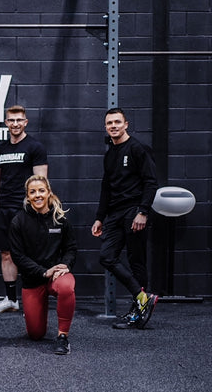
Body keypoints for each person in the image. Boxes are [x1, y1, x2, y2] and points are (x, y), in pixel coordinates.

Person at [91, 107, 159, 329]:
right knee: (106, 256)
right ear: (106, 127)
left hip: (134, 211)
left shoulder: (138, 149)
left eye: (117, 122)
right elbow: (105, 188)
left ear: (126, 124)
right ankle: (142, 298)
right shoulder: (110, 153)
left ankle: (138, 312)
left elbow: (151, 182)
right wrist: (100, 217)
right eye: (109, 123)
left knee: (136, 260)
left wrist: (143, 211)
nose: (113, 126)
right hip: (115, 213)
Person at [0, 105, 48, 314]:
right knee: (6, 254)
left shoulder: (35, 147)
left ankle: (36, 297)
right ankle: (11, 299)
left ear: (25, 122)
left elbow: (42, 182)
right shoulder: (0, 150)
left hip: (27, 210)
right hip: (4, 209)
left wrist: (38, 211)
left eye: (19, 120)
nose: (15, 124)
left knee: (32, 254)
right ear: (6, 123)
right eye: (11, 120)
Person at [8, 175, 77, 355]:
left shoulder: (60, 218)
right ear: (27, 196)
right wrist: (43, 272)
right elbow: (18, 256)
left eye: (41, 190)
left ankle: (63, 337)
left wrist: (65, 265)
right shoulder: (19, 221)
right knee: (36, 334)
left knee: (67, 287)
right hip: (34, 278)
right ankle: (37, 312)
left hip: (56, 275)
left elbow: (71, 248)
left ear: (48, 193)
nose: (37, 195)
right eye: (33, 192)